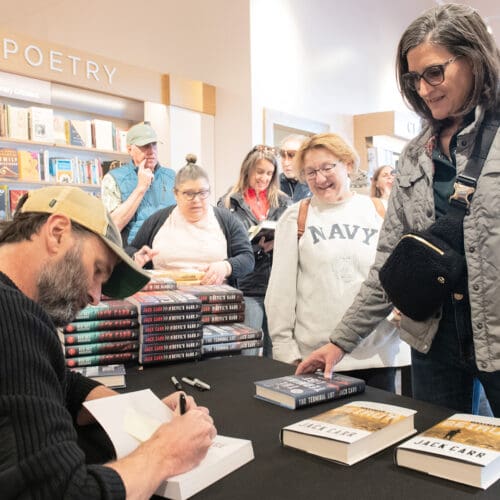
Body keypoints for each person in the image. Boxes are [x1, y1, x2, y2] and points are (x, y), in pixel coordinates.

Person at [296, 4, 500, 416]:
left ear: (474, 59)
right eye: (414, 78)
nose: (424, 89)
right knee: (438, 465)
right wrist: (340, 342)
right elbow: (391, 262)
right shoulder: (414, 156)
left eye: (434, 73)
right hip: (432, 341)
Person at [0, 186, 216, 498]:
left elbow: (59, 385)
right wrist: (166, 451)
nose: (96, 297)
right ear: (57, 233)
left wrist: (144, 414)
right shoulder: (11, 316)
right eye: (98, 271)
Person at [265, 133, 410, 391]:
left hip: (378, 354)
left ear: (348, 165)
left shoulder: (379, 211)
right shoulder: (296, 216)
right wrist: (285, 349)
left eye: (327, 168)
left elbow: (398, 274)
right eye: (310, 172)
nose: (320, 179)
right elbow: (280, 291)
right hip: (318, 358)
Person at [126, 154, 254, 286]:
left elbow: (247, 258)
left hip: (216, 299)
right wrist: (135, 258)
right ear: (175, 193)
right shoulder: (158, 220)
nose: (197, 200)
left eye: (203, 193)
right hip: (168, 299)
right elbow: (131, 250)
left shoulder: (226, 220)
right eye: (189, 194)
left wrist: (225, 267)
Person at [218, 145, 290, 356]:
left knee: (276, 353)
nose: (264, 178)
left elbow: (297, 237)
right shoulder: (229, 203)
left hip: (277, 286)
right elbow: (225, 245)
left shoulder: (284, 202)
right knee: (248, 352)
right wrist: (256, 247)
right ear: (247, 171)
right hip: (247, 287)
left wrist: (279, 243)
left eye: (269, 173)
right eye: (260, 172)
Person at [101, 121, 176, 244]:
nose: (152, 151)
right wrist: (141, 188)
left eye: (154, 144)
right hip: (135, 254)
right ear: (130, 149)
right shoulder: (113, 179)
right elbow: (112, 228)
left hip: (169, 250)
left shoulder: (172, 176)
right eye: (145, 146)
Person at [278, 134, 311, 202]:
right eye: (283, 155)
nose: (286, 163)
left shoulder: (317, 185)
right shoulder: (273, 185)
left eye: (292, 155)